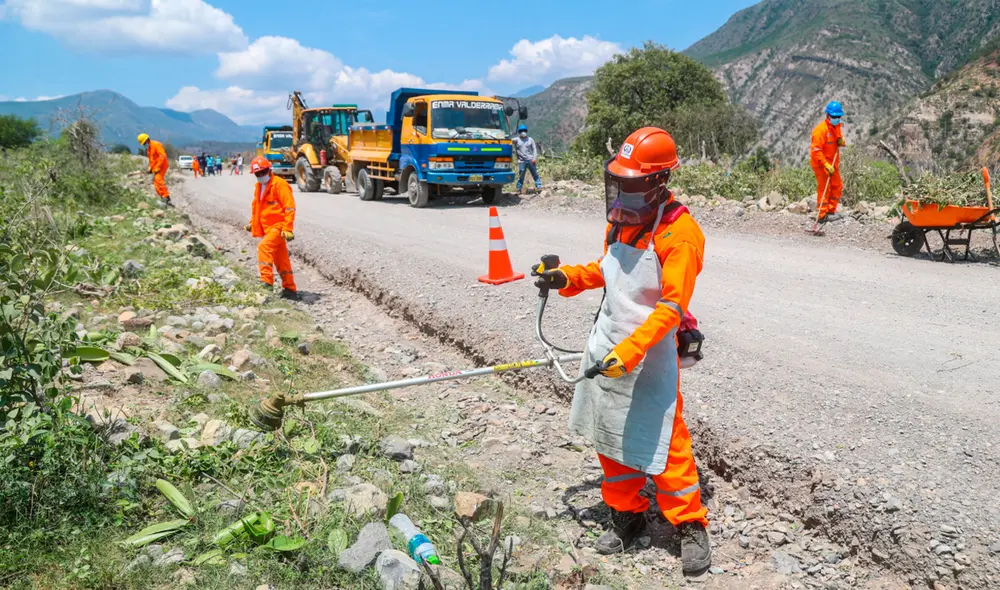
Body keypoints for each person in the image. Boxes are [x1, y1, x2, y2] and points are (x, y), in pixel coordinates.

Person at [533, 127, 711, 574]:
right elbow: (606, 270)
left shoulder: (680, 234)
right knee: (610, 437)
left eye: (632, 183)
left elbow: (672, 306)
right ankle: (627, 515)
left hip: (649, 354)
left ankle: (689, 525)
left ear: (658, 182)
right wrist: (567, 279)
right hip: (608, 345)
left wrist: (633, 350)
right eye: (620, 181)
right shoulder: (621, 220)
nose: (623, 191)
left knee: (665, 440)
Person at [244, 156, 298, 301]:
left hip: (278, 227)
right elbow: (257, 207)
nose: (261, 176)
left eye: (263, 172)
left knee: (264, 248)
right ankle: (290, 289)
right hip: (267, 228)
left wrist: (288, 228)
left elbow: (290, 207)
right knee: (281, 258)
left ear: (269, 170)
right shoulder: (258, 187)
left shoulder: (279, 185)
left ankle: (266, 282)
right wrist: (252, 223)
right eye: (258, 174)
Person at [810, 101, 847, 223]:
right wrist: (825, 165)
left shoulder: (836, 127)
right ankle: (822, 215)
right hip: (821, 164)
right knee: (825, 188)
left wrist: (841, 141)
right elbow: (816, 151)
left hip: (833, 163)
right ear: (828, 115)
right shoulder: (820, 131)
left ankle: (831, 210)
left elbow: (838, 139)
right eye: (834, 117)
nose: (837, 119)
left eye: (838, 117)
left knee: (837, 185)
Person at [136, 133, 172, 207]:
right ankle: (162, 197)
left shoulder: (156, 144)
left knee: (158, 179)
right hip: (156, 167)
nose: (144, 145)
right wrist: (150, 168)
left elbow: (162, 156)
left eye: (144, 143)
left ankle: (166, 197)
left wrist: (158, 167)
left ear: (147, 140)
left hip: (162, 165)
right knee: (155, 183)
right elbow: (152, 161)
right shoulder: (149, 150)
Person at [513, 124, 542, 193]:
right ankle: (518, 189)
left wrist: (534, 158)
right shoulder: (516, 140)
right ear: (519, 132)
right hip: (522, 161)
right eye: (521, 131)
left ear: (526, 131)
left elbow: (534, 149)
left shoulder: (530, 139)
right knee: (521, 176)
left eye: (524, 131)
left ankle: (539, 186)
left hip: (531, 160)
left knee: (535, 174)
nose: (523, 132)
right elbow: (508, 141)